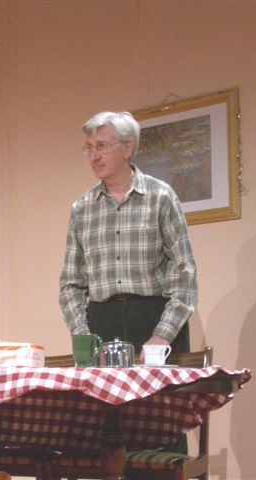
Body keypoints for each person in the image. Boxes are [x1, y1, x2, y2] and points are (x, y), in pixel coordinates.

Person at [59, 111, 198, 359]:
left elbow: (183, 271)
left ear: (127, 147)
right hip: (101, 323)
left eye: (101, 146)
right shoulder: (82, 208)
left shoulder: (161, 196)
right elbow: (71, 283)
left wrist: (163, 335)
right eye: (89, 148)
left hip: (154, 319)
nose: (93, 156)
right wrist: (83, 336)